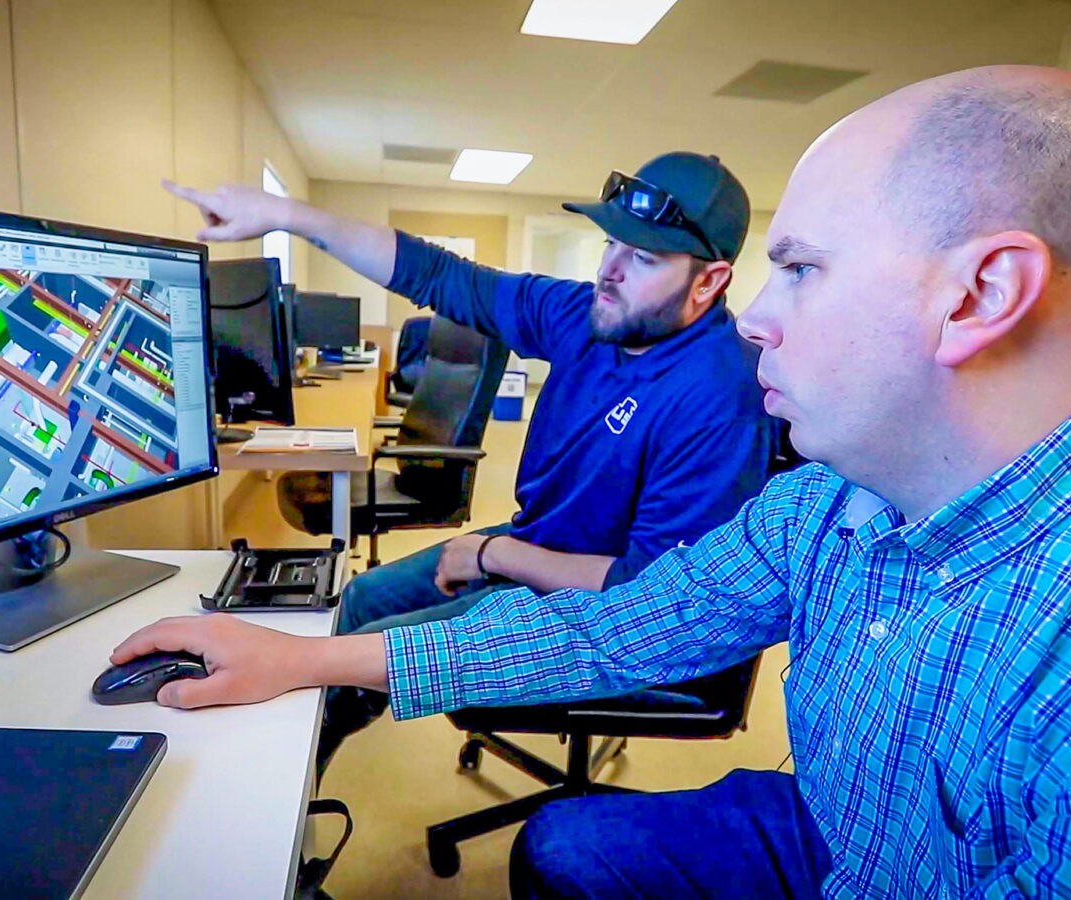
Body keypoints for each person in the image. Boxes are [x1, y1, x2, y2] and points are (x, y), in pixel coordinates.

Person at [118, 64, 1071, 897]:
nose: (760, 323)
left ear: (979, 296)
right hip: (848, 830)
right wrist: (304, 657)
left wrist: (488, 560)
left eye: (802, 271)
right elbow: (624, 630)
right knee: (563, 849)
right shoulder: (838, 495)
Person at [164, 152, 775, 774]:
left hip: (603, 613)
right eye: (611, 244)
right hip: (537, 545)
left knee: (378, 648)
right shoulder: (589, 318)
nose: (609, 272)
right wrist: (285, 216)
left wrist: (492, 554)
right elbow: (440, 276)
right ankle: (296, 776)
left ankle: (274, 796)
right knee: (364, 599)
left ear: (709, 281)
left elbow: (645, 594)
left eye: (643, 259)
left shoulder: (719, 398)